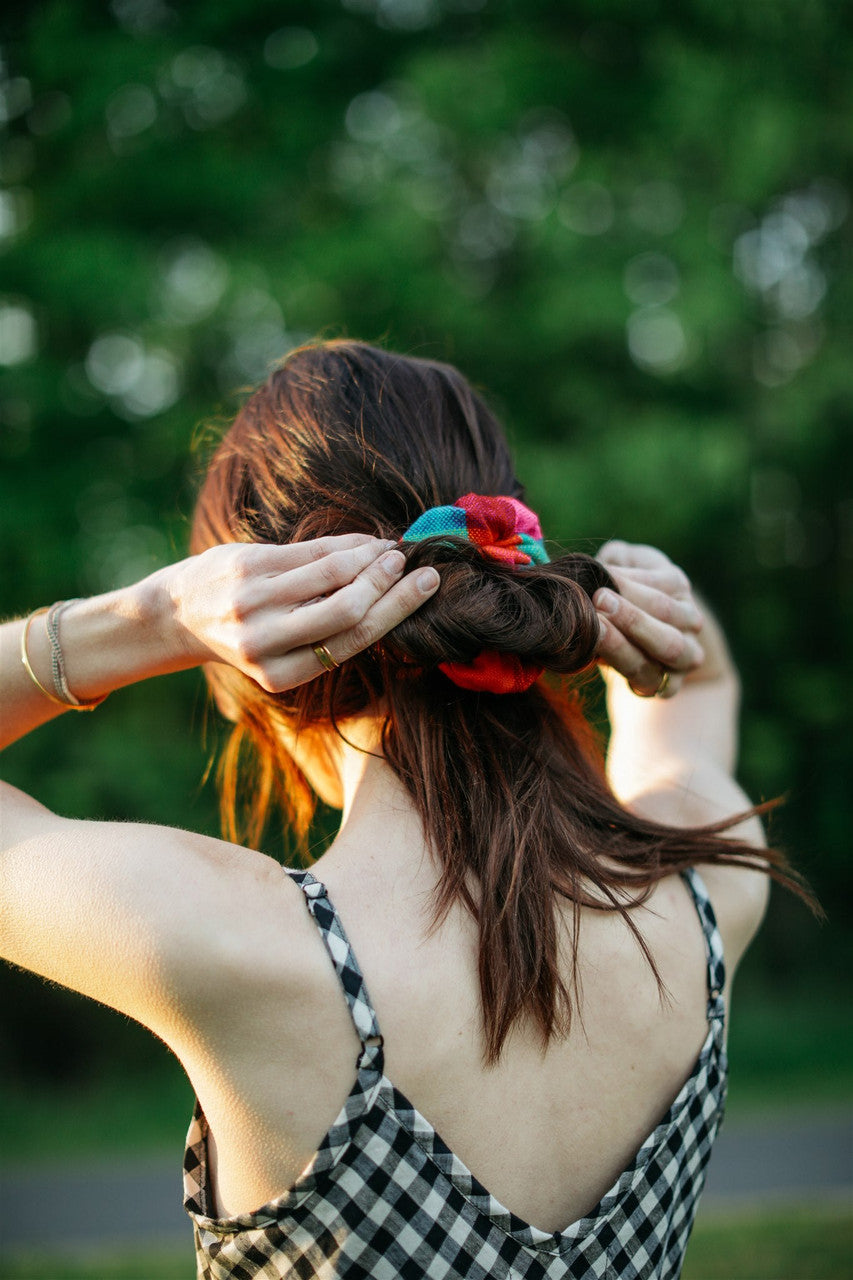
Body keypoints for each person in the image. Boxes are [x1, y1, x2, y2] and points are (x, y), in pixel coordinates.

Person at [0, 340, 814, 1279]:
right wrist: (641, 600)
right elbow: (695, 678)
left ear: (243, 645)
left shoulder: (229, 941)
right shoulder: (705, 889)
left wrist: (144, 623)